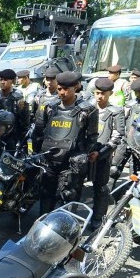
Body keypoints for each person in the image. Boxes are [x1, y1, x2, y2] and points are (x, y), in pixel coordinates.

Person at [32, 71, 98, 214]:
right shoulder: (49, 107)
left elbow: (92, 137)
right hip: (49, 160)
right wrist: (37, 153)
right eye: (59, 88)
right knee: (45, 196)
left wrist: (82, 155)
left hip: (71, 162)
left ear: (76, 87)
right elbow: (38, 133)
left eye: (66, 89)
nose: (61, 92)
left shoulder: (88, 110)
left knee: (69, 196)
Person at [88, 78, 125, 228]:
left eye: (103, 93)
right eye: (97, 93)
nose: (99, 96)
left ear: (110, 93)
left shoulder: (115, 112)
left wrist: (100, 153)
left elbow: (117, 137)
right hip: (83, 154)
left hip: (102, 157)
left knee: (101, 189)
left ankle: (97, 218)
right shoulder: (87, 108)